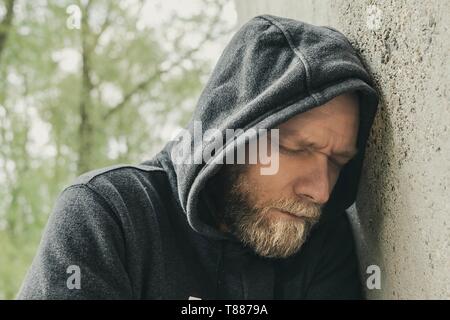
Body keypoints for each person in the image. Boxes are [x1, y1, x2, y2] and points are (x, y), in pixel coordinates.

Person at [18, 14, 379, 299]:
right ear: (232, 136)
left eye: (337, 161)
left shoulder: (321, 242)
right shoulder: (108, 216)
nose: (321, 191)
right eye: (298, 149)